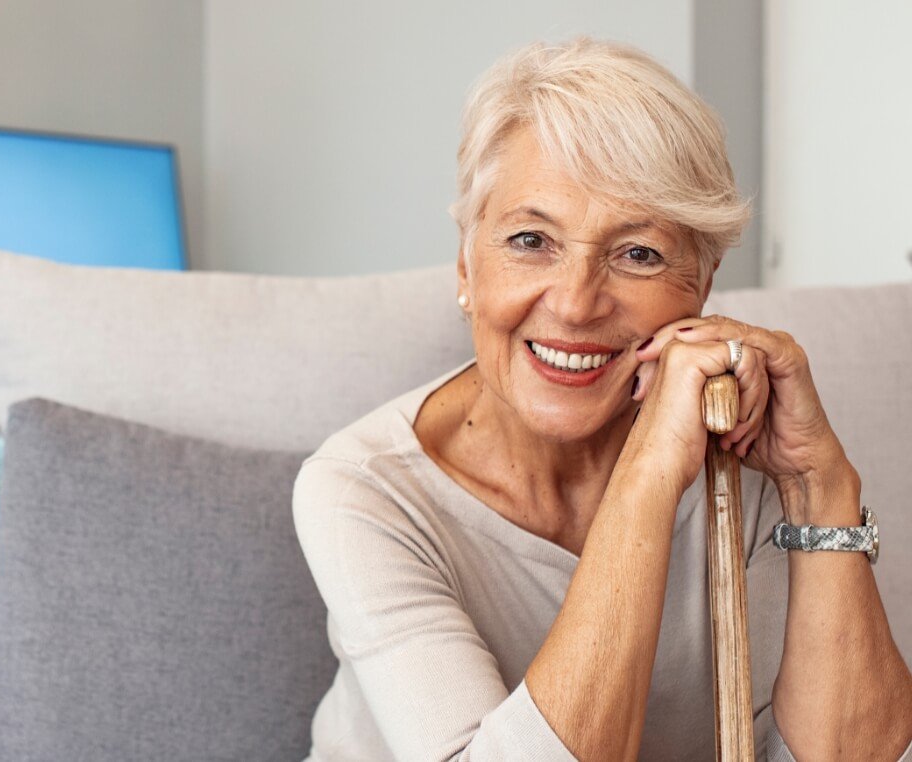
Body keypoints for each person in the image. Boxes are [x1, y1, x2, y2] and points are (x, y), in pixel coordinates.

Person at [292, 37, 912, 761]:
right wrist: (648, 473)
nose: (578, 305)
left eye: (639, 254)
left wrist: (817, 483)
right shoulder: (364, 491)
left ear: (701, 289)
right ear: (466, 265)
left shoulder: (745, 447)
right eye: (531, 240)